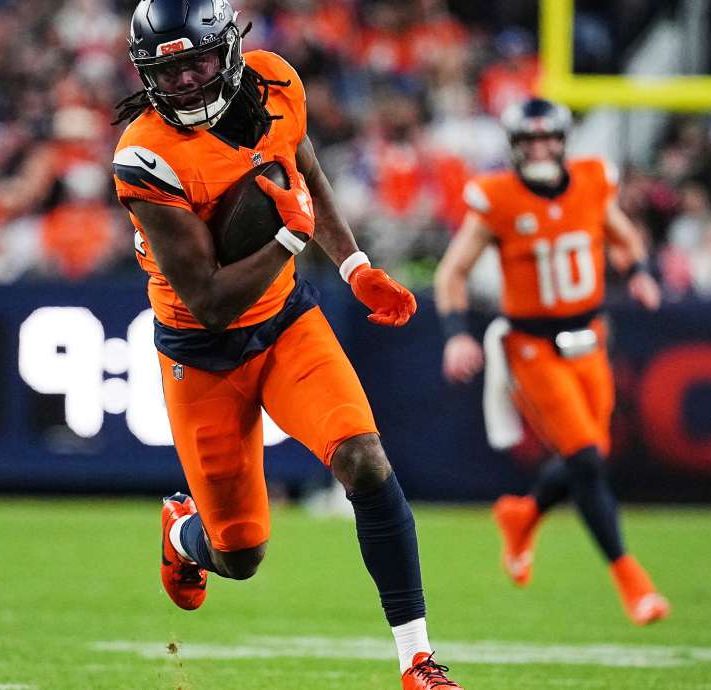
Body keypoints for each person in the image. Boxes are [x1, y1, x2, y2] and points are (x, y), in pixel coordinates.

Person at [110, 2, 462, 687]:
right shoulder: (144, 156)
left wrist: (354, 266)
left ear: (228, 50)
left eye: (198, 63)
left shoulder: (274, 82)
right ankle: (182, 533)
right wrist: (287, 240)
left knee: (363, 460)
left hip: (286, 323)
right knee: (239, 555)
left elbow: (307, 173)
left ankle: (417, 660)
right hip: (203, 353)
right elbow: (211, 303)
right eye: (169, 72)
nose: (186, 82)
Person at [434, 98, 670, 626]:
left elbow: (624, 237)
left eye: (548, 139)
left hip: (591, 339)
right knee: (585, 458)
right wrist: (455, 335)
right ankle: (633, 582)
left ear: (563, 141)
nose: (540, 149)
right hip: (533, 348)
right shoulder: (497, 198)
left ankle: (523, 515)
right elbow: (452, 272)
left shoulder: (591, 182)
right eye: (529, 141)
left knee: (591, 454)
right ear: (514, 147)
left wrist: (638, 273)